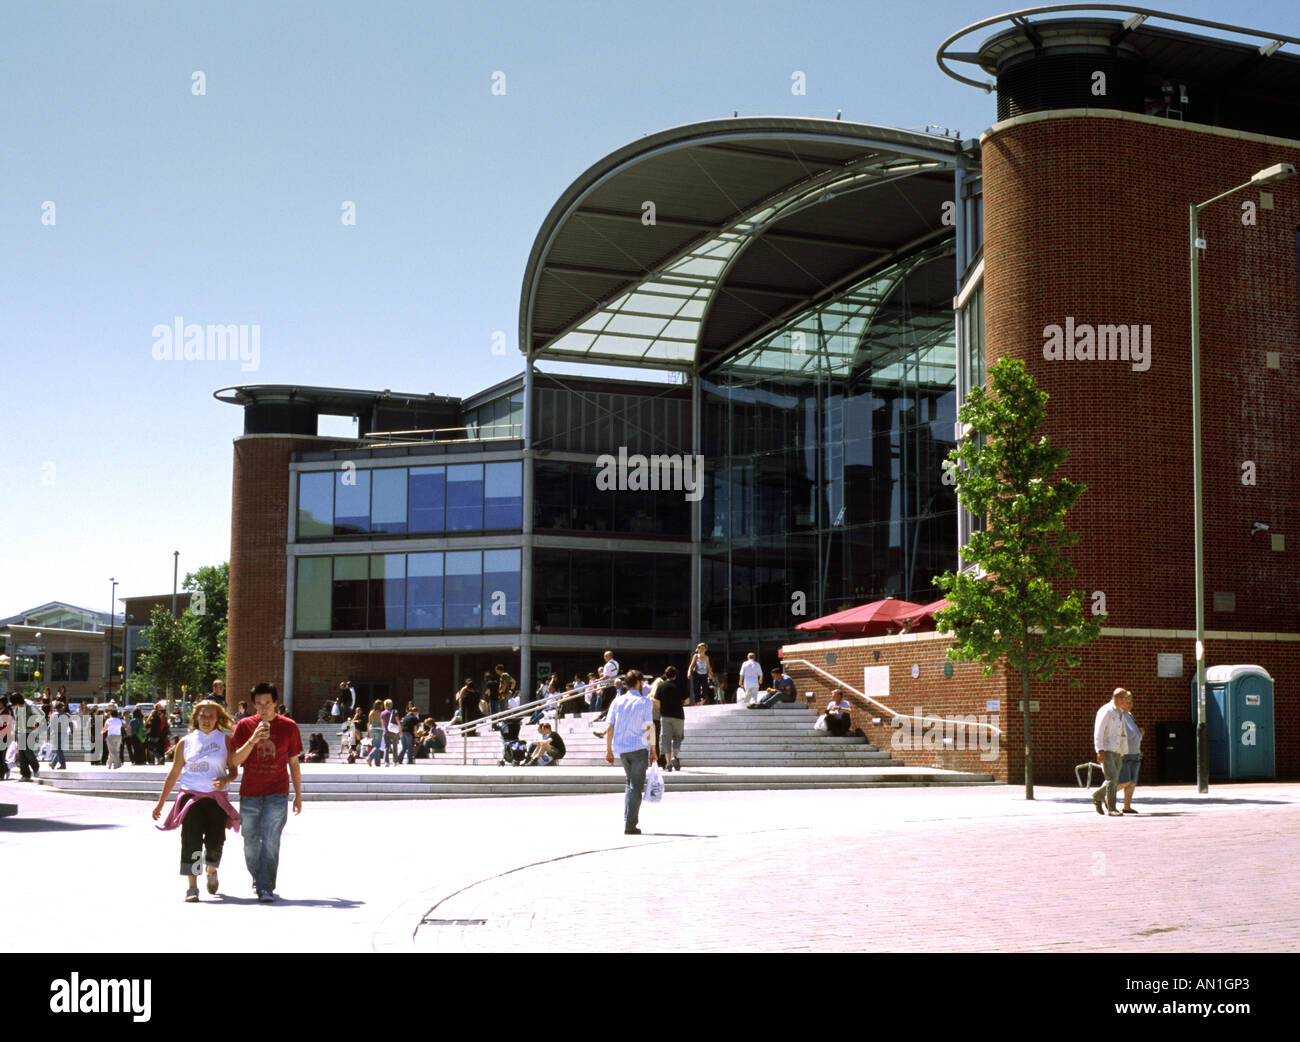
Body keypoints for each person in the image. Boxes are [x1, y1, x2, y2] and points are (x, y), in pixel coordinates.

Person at [152, 699, 239, 902]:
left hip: (216, 799)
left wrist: (226, 779)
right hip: (191, 797)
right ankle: (192, 887)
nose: (206, 719)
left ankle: (211, 870)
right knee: (191, 841)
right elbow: (174, 773)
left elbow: (234, 770)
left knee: (216, 841)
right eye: (203, 715)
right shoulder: (186, 742)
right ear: (196, 717)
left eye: (211, 716)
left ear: (217, 718)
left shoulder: (224, 740)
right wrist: (160, 803)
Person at [230, 682, 303, 902]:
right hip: (250, 792)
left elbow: (294, 763)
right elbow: (234, 761)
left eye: (268, 703)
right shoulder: (244, 726)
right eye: (259, 704)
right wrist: (253, 739)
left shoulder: (289, 727)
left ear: (276, 703)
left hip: (277, 792)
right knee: (250, 841)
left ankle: (265, 887)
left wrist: (298, 794)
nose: (263, 708)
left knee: (271, 840)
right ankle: (258, 878)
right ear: (253, 704)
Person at [603, 670, 657, 835]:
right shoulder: (644, 702)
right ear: (639, 682)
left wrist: (608, 750)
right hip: (638, 748)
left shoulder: (617, 702)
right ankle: (630, 824)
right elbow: (649, 727)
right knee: (635, 786)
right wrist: (653, 750)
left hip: (622, 749)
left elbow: (610, 726)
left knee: (630, 784)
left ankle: (628, 819)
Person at [1090, 688, 1129, 817]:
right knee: (1111, 779)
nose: (1126, 701)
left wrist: (1123, 751)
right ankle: (1111, 808)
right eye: (1124, 698)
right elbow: (1099, 731)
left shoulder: (1121, 713)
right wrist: (1099, 750)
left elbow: (1122, 734)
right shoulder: (1106, 711)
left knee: (1115, 780)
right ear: (1118, 698)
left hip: (1117, 750)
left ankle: (1097, 796)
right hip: (1106, 749)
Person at [656, 666, 686, 771]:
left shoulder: (661, 686)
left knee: (665, 739)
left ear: (666, 675)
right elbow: (686, 701)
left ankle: (668, 763)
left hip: (665, 716)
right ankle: (675, 757)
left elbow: (657, 702)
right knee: (678, 737)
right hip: (678, 716)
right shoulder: (679, 685)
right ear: (675, 675)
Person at [1118, 691, 1143, 815]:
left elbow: (1133, 734)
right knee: (1124, 781)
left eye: (1131, 702)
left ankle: (1127, 807)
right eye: (1127, 702)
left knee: (1132, 783)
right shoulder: (1119, 715)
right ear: (1121, 702)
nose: (1130, 704)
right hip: (1125, 753)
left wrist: (1140, 734)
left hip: (1135, 753)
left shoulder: (1130, 715)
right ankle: (1106, 796)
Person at [592, 651, 619, 723]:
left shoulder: (608, 665)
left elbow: (606, 676)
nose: (604, 658)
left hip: (608, 685)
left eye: (605, 656)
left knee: (605, 702)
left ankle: (604, 716)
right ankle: (607, 716)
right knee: (611, 701)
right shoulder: (616, 663)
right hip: (613, 684)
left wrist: (598, 680)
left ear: (609, 656)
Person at [46, 701, 72, 770]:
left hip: (55, 733)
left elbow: (50, 725)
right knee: (59, 749)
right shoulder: (67, 715)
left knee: (59, 749)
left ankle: (63, 765)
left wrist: (47, 733)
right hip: (64, 733)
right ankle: (53, 763)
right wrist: (72, 732)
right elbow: (71, 725)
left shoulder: (54, 715)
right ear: (62, 707)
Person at [366, 700, 385, 767]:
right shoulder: (381, 713)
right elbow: (382, 722)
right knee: (377, 746)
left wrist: (368, 732)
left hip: (372, 729)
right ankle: (369, 757)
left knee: (375, 746)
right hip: (378, 729)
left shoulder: (371, 712)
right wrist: (384, 730)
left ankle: (377, 763)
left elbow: (369, 722)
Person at [380, 698, 399, 766]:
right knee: (395, 746)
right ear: (391, 705)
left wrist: (384, 730)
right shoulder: (395, 712)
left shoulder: (382, 713)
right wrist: (400, 730)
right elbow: (398, 722)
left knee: (386, 747)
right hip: (394, 731)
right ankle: (395, 761)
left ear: (385, 705)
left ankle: (386, 762)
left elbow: (382, 724)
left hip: (386, 731)